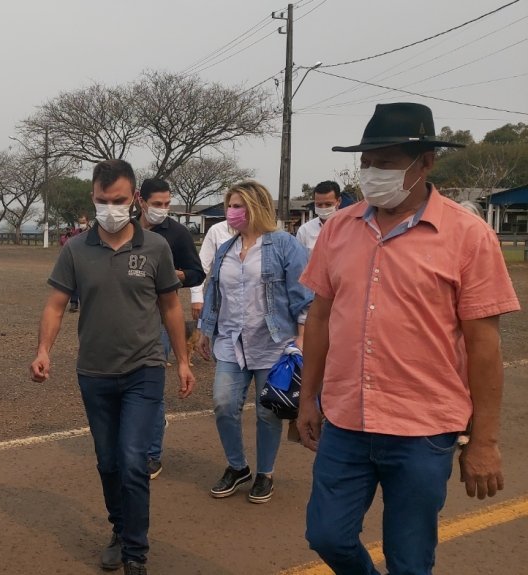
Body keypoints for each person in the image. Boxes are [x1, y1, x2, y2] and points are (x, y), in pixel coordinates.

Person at [297, 102, 520, 575]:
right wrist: (307, 400)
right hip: (345, 420)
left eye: (387, 162)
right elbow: (318, 318)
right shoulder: (338, 229)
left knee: (410, 559)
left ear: (426, 163)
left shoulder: (468, 236)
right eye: (367, 163)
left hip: (423, 430)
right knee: (327, 535)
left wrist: (484, 441)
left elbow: (483, 345)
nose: (372, 173)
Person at [31, 159, 196, 575]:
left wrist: (182, 361)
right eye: (102, 201)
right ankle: (120, 531)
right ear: (93, 197)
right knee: (107, 462)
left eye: (119, 200)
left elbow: (170, 307)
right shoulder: (75, 250)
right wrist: (43, 350)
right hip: (95, 374)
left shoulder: (156, 248)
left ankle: (136, 554)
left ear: (134, 199)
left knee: (133, 459)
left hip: (144, 370)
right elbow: (54, 306)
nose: (110, 208)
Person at [197, 180, 312, 504]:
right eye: (230, 205)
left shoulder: (285, 246)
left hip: (273, 343)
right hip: (231, 341)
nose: (232, 212)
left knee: (268, 412)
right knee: (223, 404)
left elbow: (303, 295)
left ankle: (266, 473)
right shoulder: (225, 249)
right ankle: (238, 466)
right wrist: (206, 330)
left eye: (239, 206)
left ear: (257, 207)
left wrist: (301, 339)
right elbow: (215, 293)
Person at [136, 177, 206, 480]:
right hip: (126, 319)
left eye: (167, 204)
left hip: (160, 319)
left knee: (151, 387)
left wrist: (178, 274)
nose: (163, 210)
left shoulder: (176, 233)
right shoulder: (125, 228)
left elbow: (196, 273)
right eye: (157, 204)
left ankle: (152, 455)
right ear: (141, 201)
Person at [188, 220, 235, 321]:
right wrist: (197, 296)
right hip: (221, 300)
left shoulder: (266, 234)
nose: (232, 210)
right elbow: (201, 267)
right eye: (230, 206)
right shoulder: (217, 231)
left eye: (237, 207)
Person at [295, 181, 342, 252]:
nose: (323, 208)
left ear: (339, 201)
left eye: (328, 204)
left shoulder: (349, 227)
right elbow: (299, 260)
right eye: (319, 205)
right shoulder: (304, 231)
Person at [67, 215, 90, 313]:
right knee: (75, 283)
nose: (82, 224)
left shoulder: (94, 232)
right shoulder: (76, 233)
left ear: (88, 221)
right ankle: (74, 303)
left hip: (90, 260)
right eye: (80, 222)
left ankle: (85, 304)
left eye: (83, 222)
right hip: (77, 259)